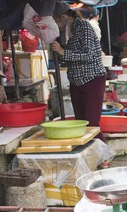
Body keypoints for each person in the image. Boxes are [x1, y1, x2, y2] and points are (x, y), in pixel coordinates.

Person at [51, 8, 106, 137]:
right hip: (77, 80)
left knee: (91, 124)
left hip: (91, 78)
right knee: (80, 123)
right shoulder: (70, 31)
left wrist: (62, 52)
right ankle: (86, 152)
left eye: (56, 20)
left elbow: (88, 54)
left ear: (63, 17)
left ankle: (101, 153)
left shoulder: (84, 27)